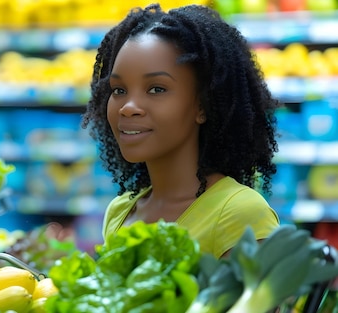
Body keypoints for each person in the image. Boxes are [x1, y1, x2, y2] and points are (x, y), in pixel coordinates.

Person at [82, 3, 281, 258]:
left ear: (203, 105)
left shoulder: (239, 214)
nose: (128, 107)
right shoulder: (120, 212)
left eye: (156, 89)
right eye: (119, 90)